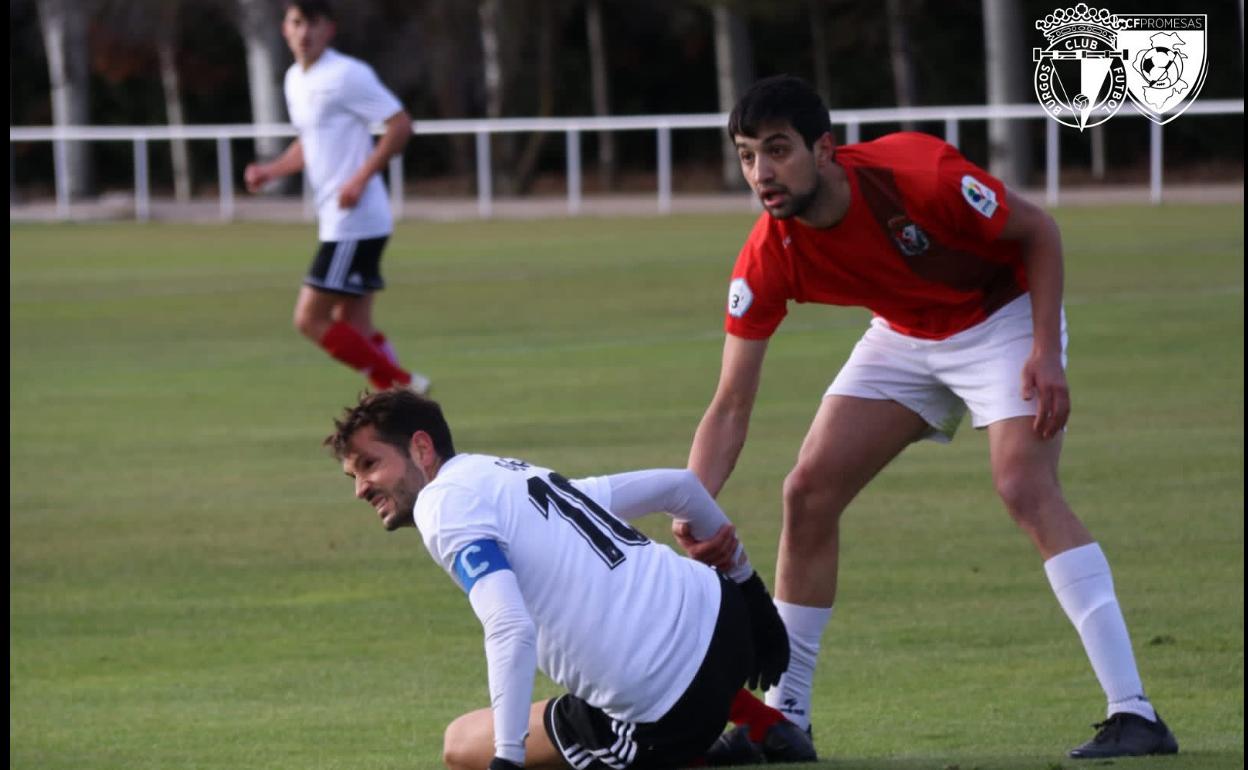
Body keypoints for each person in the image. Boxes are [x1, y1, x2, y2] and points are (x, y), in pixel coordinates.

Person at [677, 74, 1178, 760]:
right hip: (907, 335)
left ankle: (1136, 713)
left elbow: (1038, 231)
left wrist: (1044, 353)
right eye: (745, 155)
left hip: (1002, 317)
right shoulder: (770, 251)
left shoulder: (915, 175)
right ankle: (784, 720)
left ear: (824, 149)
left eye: (777, 149)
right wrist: (691, 501)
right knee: (807, 491)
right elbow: (730, 403)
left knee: (1023, 487)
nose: (761, 172)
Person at [325, 388, 810, 769]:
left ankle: (693, 753)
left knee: (461, 743)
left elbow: (509, 628)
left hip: (666, 714)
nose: (360, 489)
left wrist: (507, 759)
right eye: (353, 475)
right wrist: (754, 599)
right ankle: (764, 725)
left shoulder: (440, 505)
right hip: (730, 625)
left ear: (421, 448)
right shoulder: (502, 473)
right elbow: (680, 487)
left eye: (369, 465)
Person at [244, 0, 429, 394]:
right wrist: (271, 171)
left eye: (313, 22)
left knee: (309, 319)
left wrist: (360, 179)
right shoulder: (295, 78)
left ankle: (402, 385)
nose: (304, 31)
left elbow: (399, 125)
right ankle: (398, 405)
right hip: (346, 219)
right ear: (285, 29)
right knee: (355, 326)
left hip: (354, 220)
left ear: (330, 29)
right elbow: (310, 142)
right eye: (297, 22)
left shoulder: (347, 74)